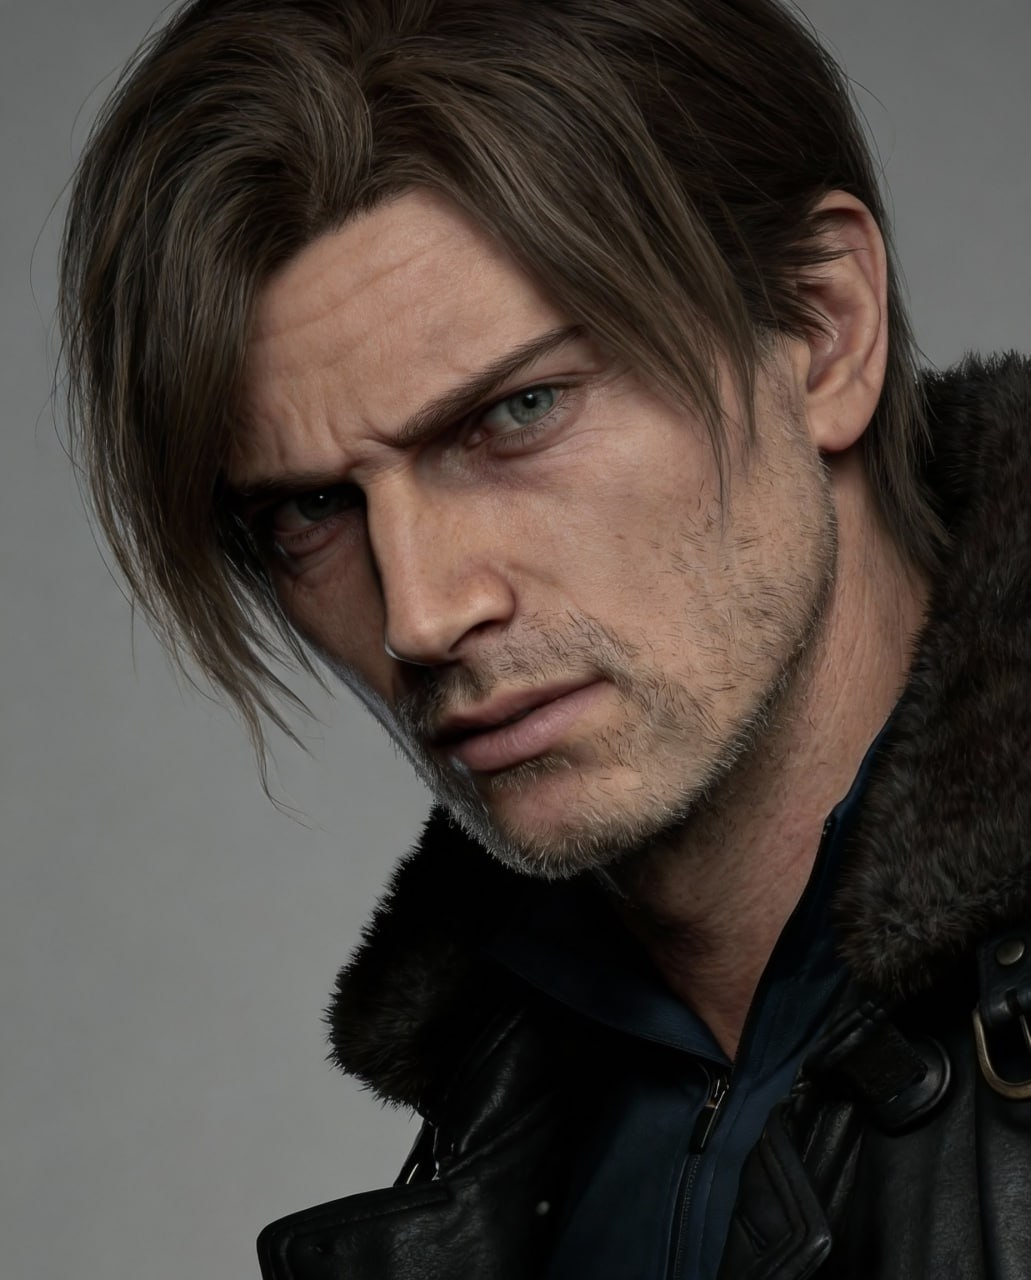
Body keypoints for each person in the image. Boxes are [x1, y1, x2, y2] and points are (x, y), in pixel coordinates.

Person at [59, 0, 1031, 1276]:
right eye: (312, 507)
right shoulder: (511, 1112)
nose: (419, 612)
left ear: (819, 327)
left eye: (518, 412)